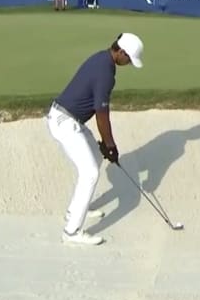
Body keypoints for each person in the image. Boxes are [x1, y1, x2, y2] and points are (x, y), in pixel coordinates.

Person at [45, 33, 144, 246]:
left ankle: (76, 209)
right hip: (65, 122)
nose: (128, 63)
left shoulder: (103, 59)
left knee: (96, 158)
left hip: (69, 120)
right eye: (129, 59)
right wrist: (110, 145)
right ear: (121, 52)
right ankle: (71, 232)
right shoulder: (106, 73)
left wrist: (105, 149)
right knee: (90, 172)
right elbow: (102, 114)